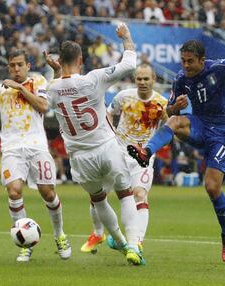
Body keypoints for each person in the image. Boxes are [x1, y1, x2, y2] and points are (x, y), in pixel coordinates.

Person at [127, 40, 225, 262]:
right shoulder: (181, 79)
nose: (186, 66)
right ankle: (146, 152)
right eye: (183, 61)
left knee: (211, 186)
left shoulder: (219, 68)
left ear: (202, 60)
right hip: (199, 125)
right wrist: (174, 107)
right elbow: (168, 111)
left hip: (222, 133)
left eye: (191, 61)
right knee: (176, 121)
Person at [46, 23, 144, 266]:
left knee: (99, 200)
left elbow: (55, 94)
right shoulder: (94, 78)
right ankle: (133, 245)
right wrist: (127, 37)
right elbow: (130, 64)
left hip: (79, 156)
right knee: (125, 194)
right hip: (106, 147)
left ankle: (119, 241)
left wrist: (56, 73)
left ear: (59, 60)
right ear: (80, 59)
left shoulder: (53, 88)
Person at [0, 49, 71, 262]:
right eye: (12, 65)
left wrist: (20, 88)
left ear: (28, 66)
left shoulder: (38, 81)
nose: (16, 69)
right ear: (8, 67)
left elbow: (43, 106)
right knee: (14, 192)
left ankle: (59, 235)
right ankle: (25, 244)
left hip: (37, 147)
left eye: (20, 64)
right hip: (11, 148)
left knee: (48, 193)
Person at [79, 63, 168, 254]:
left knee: (140, 195)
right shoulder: (124, 97)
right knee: (97, 195)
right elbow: (109, 113)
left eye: (146, 78)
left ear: (154, 79)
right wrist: (110, 134)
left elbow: (169, 128)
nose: (142, 82)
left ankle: (137, 242)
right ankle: (98, 233)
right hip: (117, 153)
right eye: (139, 78)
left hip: (143, 158)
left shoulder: (162, 103)